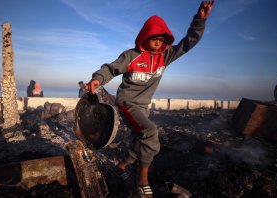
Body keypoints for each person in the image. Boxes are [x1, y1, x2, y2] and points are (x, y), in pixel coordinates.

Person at [84, 1, 214, 196]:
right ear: (145, 36)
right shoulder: (132, 56)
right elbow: (111, 69)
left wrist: (200, 20)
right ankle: (142, 178)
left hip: (143, 106)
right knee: (151, 132)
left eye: (161, 39)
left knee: (140, 138)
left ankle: (121, 166)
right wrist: (97, 79)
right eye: (154, 38)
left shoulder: (165, 56)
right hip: (127, 102)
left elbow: (188, 43)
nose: (158, 43)